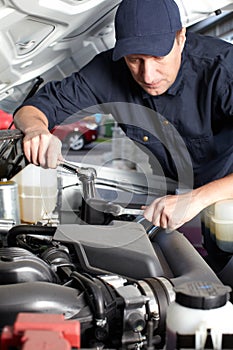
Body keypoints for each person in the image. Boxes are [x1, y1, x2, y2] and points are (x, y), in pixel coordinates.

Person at [13, 0, 233, 231]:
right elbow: (36, 107)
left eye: (158, 58)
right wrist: (36, 130)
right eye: (134, 60)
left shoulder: (222, 69)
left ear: (180, 38)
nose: (147, 75)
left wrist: (197, 199)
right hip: (182, 190)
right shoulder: (107, 71)